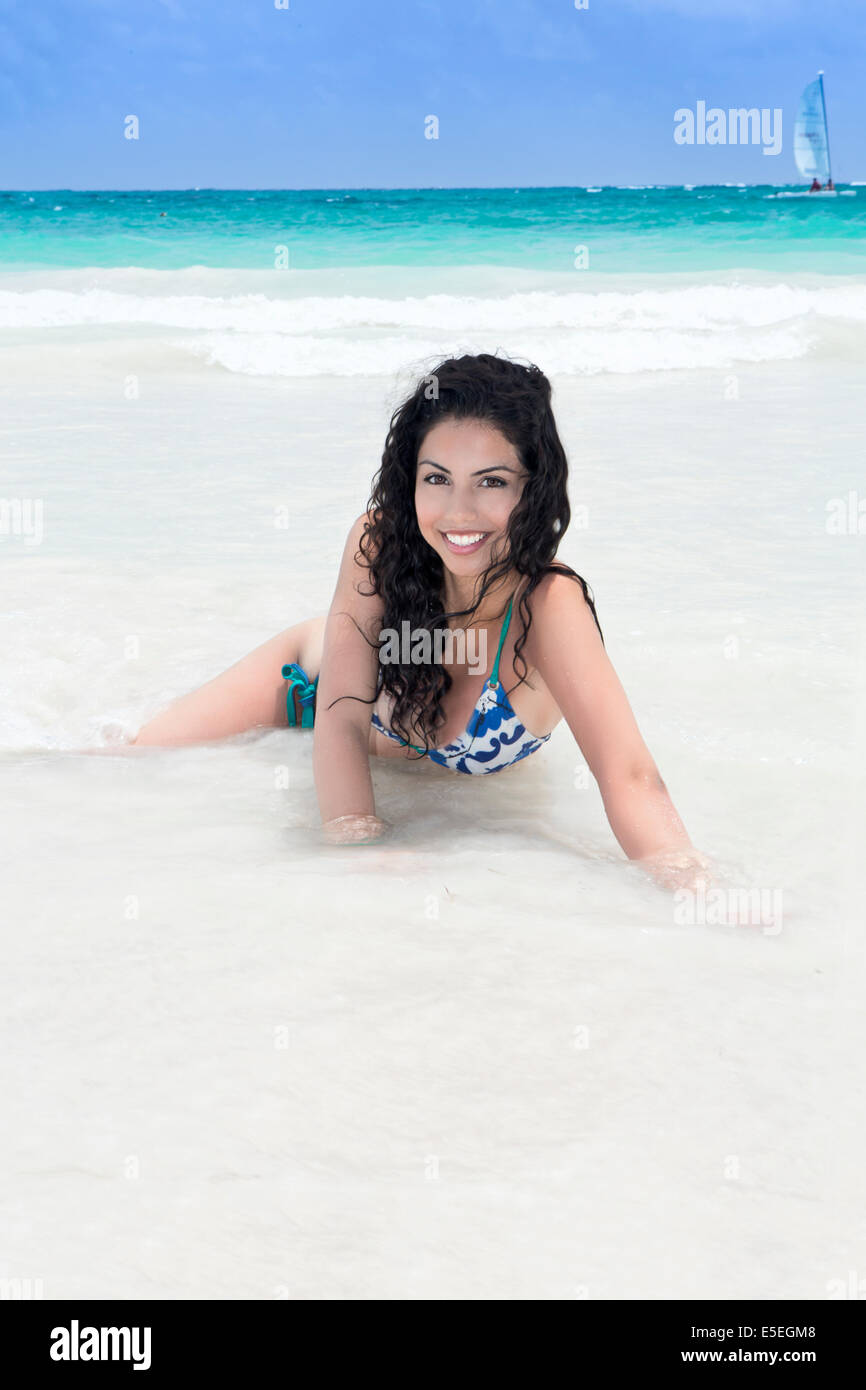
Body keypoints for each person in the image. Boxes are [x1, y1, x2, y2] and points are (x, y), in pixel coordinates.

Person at [131, 352, 712, 893]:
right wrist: (358, 840)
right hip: (301, 687)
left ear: (532, 489)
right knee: (124, 764)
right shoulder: (380, 542)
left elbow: (630, 776)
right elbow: (341, 723)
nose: (459, 512)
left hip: (361, 730)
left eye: (491, 481)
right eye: (437, 479)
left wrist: (695, 889)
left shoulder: (548, 605)